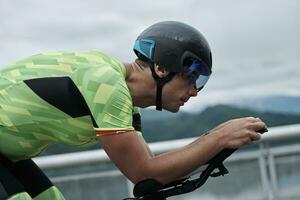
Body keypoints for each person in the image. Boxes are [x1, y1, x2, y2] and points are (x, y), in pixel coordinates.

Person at [0, 21, 267, 199]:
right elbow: (143, 172)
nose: (196, 91)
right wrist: (217, 138)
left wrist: (217, 136)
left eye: (202, 82)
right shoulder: (106, 83)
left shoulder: (127, 106)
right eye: (193, 76)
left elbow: (153, 177)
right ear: (161, 67)